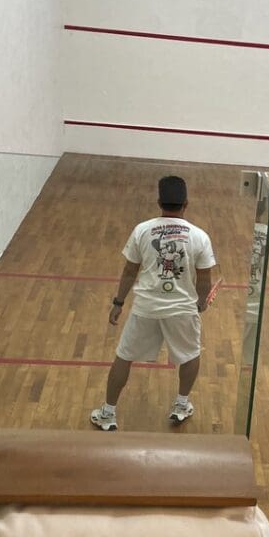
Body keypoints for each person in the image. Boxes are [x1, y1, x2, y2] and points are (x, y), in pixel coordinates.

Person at [91, 175, 217, 431]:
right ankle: (181, 404)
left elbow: (129, 271)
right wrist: (201, 303)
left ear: (159, 201)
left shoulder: (142, 230)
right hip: (182, 309)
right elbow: (204, 279)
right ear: (186, 203)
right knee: (190, 354)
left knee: (124, 357)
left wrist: (118, 302)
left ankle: (108, 413)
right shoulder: (200, 236)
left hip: (146, 307)